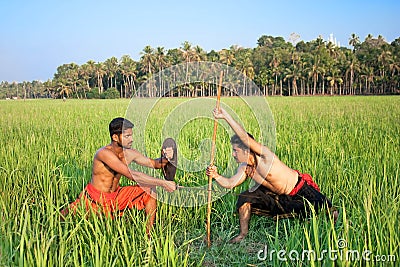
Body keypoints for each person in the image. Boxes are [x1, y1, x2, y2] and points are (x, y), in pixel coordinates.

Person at [206, 107, 338, 243]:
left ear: (246, 150)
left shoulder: (265, 157)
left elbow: (245, 139)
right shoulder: (244, 168)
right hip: (275, 195)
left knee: (330, 211)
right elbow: (231, 183)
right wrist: (216, 175)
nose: (233, 154)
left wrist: (225, 116)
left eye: (235, 150)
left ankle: (331, 234)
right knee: (244, 198)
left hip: (299, 189)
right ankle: (242, 234)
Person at [61, 117, 177, 235]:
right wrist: (163, 183)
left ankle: (149, 236)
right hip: (95, 200)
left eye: (131, 135)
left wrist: (167, 157)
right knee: (62, 218)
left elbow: (155, 164)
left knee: (150, 190)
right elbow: (133, 175)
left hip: (115, 197)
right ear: (115, 137)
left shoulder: (130, 153)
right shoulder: (104, 153)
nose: (131, 139)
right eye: (127, 136)